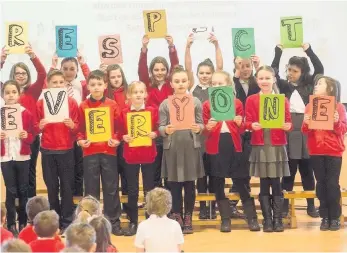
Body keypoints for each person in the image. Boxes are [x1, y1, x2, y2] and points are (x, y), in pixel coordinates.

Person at [203, 71, 260, 232]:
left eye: (220, 83)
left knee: (241, 183)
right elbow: (204, 132)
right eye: (214, 84)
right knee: (218, 184)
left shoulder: (236, 103)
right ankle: (225, 219)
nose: (217, 86)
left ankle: (252, 218)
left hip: (235, 146)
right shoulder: (207, 105)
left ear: (228, 85)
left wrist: (239, 122)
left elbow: (242, 129)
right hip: (216, 147)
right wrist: (208, 127)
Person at [272, 43, 323, 217]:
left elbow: (320, 68)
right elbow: (273, 71)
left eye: (294, 71)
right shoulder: (284, 86)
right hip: (290, 129)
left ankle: (310, 205)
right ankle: (285, 205)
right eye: (289, 70)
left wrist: (309, 50)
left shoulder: (310, 85)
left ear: (302, 72)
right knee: (289, 170)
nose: (290, 73)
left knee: (307, 170)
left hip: (307, 129)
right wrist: (278, 52)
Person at [245, 66, 292, 232]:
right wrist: (252, 125)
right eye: (261, 78)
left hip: (277, 145)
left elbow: (288, 122)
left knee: (276, 182)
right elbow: (247, 122)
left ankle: (278, 219)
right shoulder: (251, 100)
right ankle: (267, 220)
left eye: (267, 78)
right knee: (264, 182)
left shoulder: (282, 100)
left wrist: (287, 126)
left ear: (274, 79)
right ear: (257, 80)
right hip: (260, 144)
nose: (264, 81)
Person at [159, 66, 205, 234]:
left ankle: (188, 216)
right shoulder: (165, 104)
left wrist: (198, 127)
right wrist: (166, 130)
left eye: (183, 81)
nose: (180, 84)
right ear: (171, 83)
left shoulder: (196, 102)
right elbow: (160, 127)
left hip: (190, 148)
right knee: (174, 184)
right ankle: (176, 214)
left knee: (189, 184)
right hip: (172, 149)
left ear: (188, 82)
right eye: (177, 81)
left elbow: (202, 124)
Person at [77, 70, 122, 235]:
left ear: (105, 85)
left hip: (109, 151)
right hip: (89, 153)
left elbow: (119, 127)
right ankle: (91, 224)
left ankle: (113, 223)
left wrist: (116, 138)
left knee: (111, 188)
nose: (96, 88)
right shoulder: (83, 106)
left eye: (99, 84)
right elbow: (80, 129)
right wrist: (80, 140)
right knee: (90, 189)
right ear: (88, 86)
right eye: (93, 85)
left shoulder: (112, 105)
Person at [185, 32, 223, 219]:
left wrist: (216, 46)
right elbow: (188, 68)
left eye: (208, 73)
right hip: (199, 139)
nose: (205, 76)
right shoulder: (192, 88)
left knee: (215, 173)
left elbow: (221, 67)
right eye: (202, 73)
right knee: (200, 175)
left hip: (214, 138)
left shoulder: (217, 88)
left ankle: (213, 208)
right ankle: (202, 208)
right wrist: (188, 47)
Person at [1, 45, 47, 199]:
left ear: (27, 75)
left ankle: (30, 207)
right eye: (17, 73)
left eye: (23, 73)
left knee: (30, 174)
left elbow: (42, 74)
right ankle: (15, 207)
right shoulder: (7, 92)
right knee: (12, 179)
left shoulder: (33, 91)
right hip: (10, 140)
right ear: (12, 75)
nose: (20, 76)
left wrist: (33, 56)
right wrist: (2, 59)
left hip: (29, 139)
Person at [302, 76, 346, 231]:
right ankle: (324, 216)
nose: (316, 86)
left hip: (334, 151)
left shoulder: (338, 107)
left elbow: (342, 130)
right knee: (320, 184)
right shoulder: (309, 106)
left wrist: (336, 121)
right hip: (316, 150)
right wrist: (306, 123)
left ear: (330, 88)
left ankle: (335, 217)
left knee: (332, 184)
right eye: (316, 83)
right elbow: (305, 130)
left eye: (320, 84)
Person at [36, 70, 79, 230]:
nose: (58, 85)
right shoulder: (41, 103)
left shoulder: (72, 102)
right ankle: (54, 221)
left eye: (61, 82)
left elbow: (78, 128)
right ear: (47, 84)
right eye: (54, 82)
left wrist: (72, 126)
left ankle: (67, 222)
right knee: (52, 187)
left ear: (65, 84)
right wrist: (39, 126)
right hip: (48, 150)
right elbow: (35, 127)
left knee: (67, 188)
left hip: (66, 149)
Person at [117, 81, 158, 236]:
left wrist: (155, 134)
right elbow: (119, 130)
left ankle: (150, 220)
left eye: (141, 92)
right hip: (131, 155)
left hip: (148, 154)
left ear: (146, 94)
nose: (139, 95)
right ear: (129, 95)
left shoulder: (152, 111)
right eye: (135, 92)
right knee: (132, 190)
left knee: (149, 188)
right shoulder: (124, 112)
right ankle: (133, 221)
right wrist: (123, 136)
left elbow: (158, 128)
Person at [138, 34, 179, 189]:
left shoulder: (171, 84)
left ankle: (168, 206)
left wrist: (171, 47)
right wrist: (144, 49)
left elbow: (176, 66)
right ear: (151, 71)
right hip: (153, 134)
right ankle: (155, 207)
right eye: (156, 69)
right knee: (154, 172)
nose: (160, 72)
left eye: (163, 69)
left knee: (168, 172)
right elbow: (141, 69)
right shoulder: (147, 84)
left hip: (170, 132)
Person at [1, 80, 35, 235]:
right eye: (7, 92)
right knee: (11, 190)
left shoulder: (25, 113)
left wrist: (26, 135)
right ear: (3, 95)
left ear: (19, 94)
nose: (10, 95)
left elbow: (32, 136)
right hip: (6, 157)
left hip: (22, 157)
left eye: (13, 92)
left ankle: (22, 222)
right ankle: (11, 223)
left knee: (23, 190)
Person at [135, 188, 184, 252]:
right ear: (169, 205)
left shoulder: (143, 226)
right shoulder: (175, 225)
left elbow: (139, 250)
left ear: (148, 204)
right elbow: (178, 249)